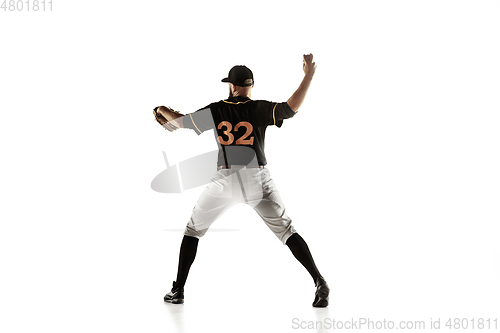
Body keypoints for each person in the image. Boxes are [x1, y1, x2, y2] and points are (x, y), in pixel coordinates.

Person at [158, 54, 329, 307]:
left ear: (232, 86)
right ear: (250, 86)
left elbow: (179, 122)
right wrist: (308, 76)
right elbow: (291, 108)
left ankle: (178, 290)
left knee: (193, 231)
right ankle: (319, 281)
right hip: (258, 178)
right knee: (287, 230)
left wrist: (160, 110)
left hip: (225, 180)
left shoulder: (216, 109)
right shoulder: (260, 108)